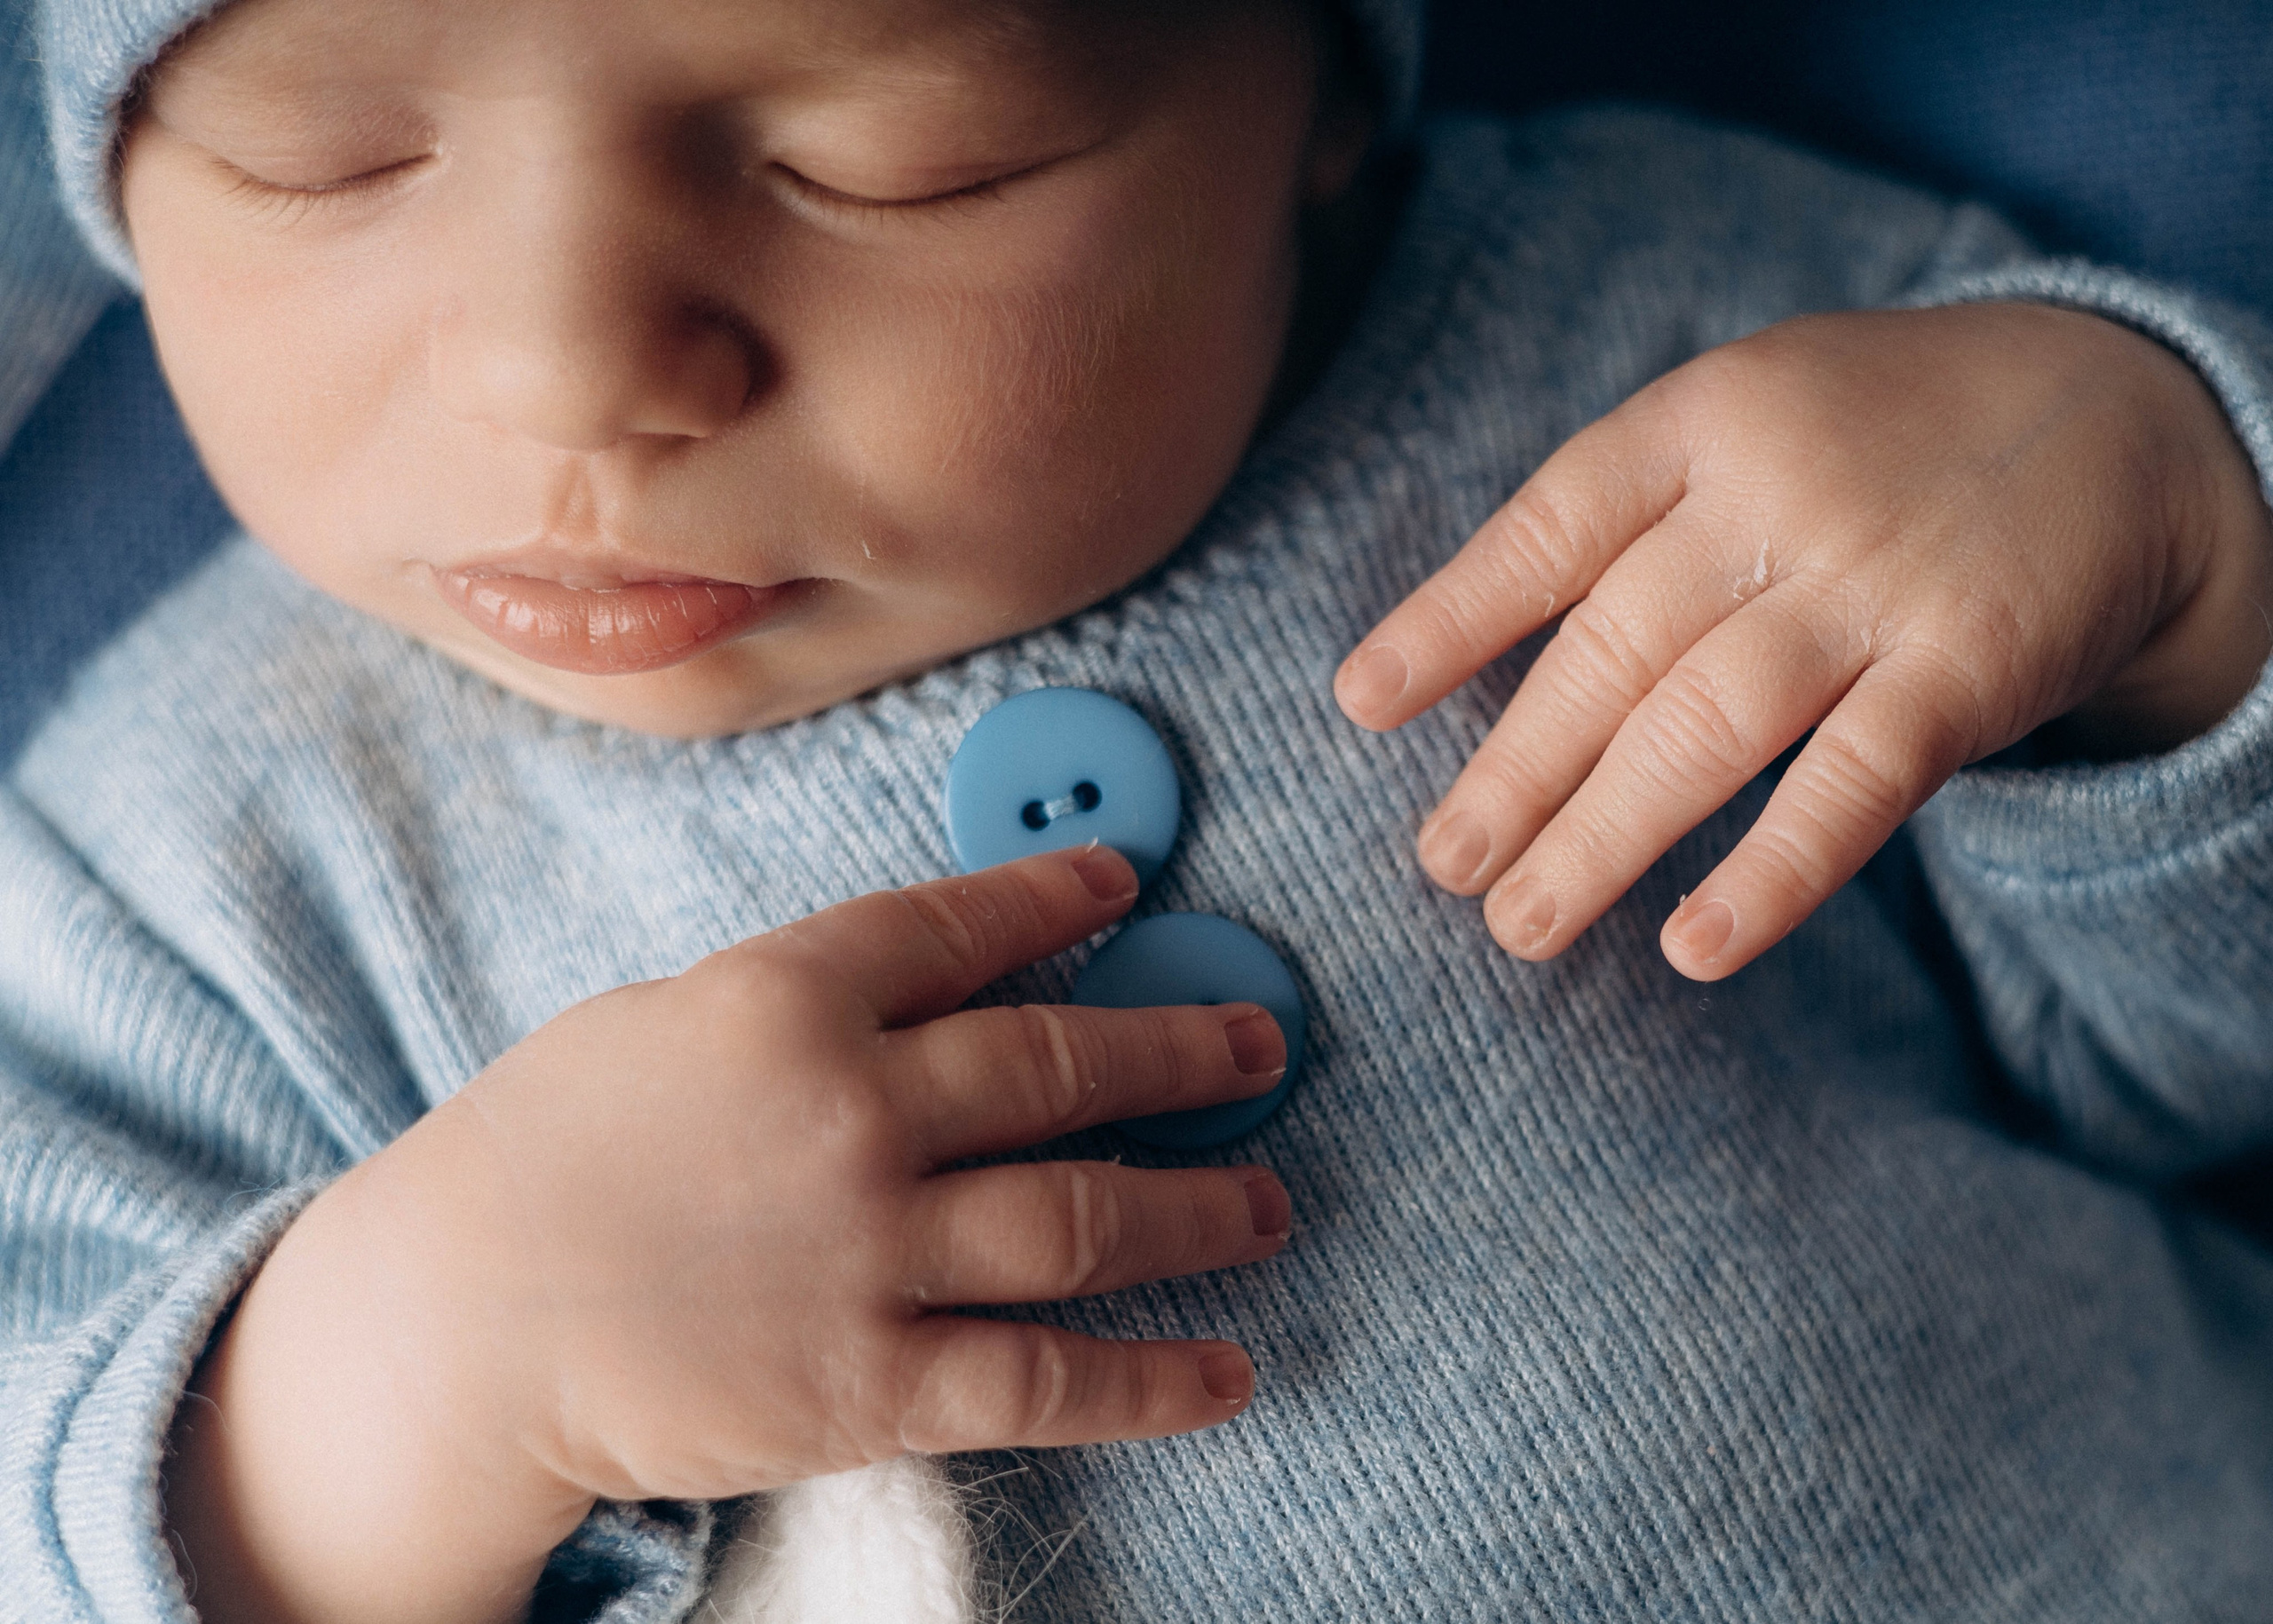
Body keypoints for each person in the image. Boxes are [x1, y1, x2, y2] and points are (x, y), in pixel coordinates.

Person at [3, 0, 2270, 1620]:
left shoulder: (1705, 372)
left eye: (888, 158)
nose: (559, 364)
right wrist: (406, 1373)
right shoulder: (177, 866)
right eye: (325, 158)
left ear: (1299, 88)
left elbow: (2181, 1068)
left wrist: (2177, 567)